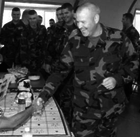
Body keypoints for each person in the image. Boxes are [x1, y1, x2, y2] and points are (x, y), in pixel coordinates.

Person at [38, 2, 139, 137]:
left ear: (96, 19)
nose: (79, 26)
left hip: (111, 107)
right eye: (77, 21)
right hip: (83, 109)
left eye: (83, 22)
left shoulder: (118, 38)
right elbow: (60, 71)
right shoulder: (74, 40)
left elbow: (134, 62)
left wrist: (117, 79)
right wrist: (43, 96)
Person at [122, 13, 140, 100]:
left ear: (128, 20)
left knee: (127, 80)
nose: (122, 21)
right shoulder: (124, 31)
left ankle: (127, 98)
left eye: (123, 19)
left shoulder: (133, 32)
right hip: (122, 59)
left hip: (129, 61)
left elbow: (132, 49)